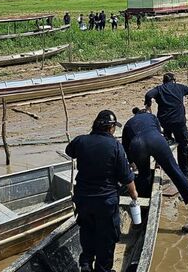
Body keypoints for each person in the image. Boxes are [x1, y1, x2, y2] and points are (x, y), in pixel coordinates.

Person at [65, 110, 138, 272]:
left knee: (87, 232)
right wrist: (134, 195)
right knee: (106, 238)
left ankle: (85, 264)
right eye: (114, 128)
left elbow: (69, 151)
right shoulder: (115, 146)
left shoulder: (81, 141)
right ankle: (102, 269)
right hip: (105, 202)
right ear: (110, 128)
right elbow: (127, 177)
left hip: (83, 200)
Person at [123, 107, 188, 213]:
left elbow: (125, 146)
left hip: (137, 145)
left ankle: (142, 206)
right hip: (156, 140)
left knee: (144, 175)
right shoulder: (152, 117)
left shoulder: (128, 123)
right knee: (174, 170)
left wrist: (131, 162)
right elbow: (159, 133)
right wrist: (159, 159)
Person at [144, 73, 188, 179]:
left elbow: (149, 95)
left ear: (164, 81)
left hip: (165, 122)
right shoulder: (179, 87)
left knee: (168, 137)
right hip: (179, 122)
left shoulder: (159, 89)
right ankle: (185, 173)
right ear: (174, 80)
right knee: (183, 145)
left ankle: (168, 138)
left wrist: (148, 104)